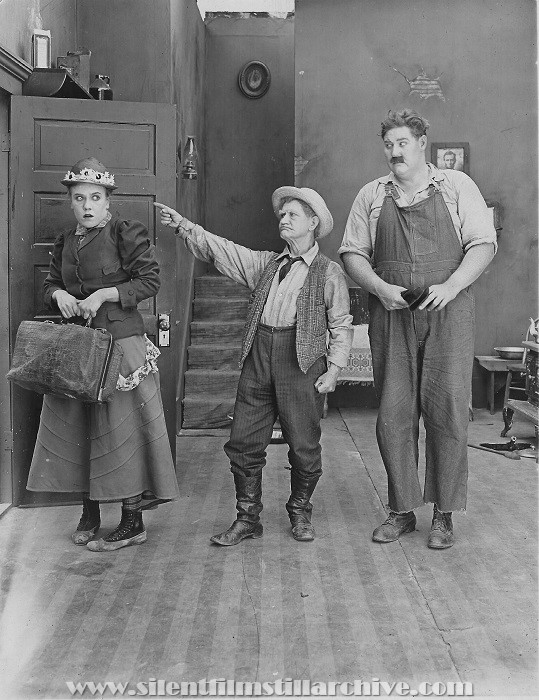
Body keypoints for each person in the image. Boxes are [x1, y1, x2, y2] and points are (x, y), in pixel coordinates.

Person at [155, 187, 353, 544]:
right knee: (244, 442)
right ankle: (248, 519)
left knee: (304, 446)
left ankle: (300, 512)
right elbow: (223, 250)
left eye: (293, 214)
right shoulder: (266, 264)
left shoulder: (329, 273)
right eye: (282, 213)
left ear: (313, 223)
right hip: (258, 357)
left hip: (302, 361)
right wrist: (185, 226)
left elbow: (341, 324)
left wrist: (334, 369)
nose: (284, 218)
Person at [340, 110, 496, 549]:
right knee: (393, 413)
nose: (394, 152)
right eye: (388, 144)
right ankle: (402, 510)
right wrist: (377, 287)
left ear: (423, 142)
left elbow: (483, 244)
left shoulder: (457, 187)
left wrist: (452, 285)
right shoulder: (372, 195)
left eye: (403, 143)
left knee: (447, 409)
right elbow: (352, 253)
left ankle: (444, 514)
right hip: (392, 314)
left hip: (448, 313)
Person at [27, 157, 179, 551]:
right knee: (80, 425)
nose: (88, 205)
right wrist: (59, 294)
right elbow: (50, 285)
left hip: (120, 346)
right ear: (71, 202)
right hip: (79, 348)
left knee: (121, 427)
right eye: (80, 198)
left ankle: (132, 520)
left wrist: (105, 294)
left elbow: (149, 281)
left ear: (108, 201)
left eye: (96, 197)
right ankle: (90, 513)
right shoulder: (65, 241)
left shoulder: (124, 233)